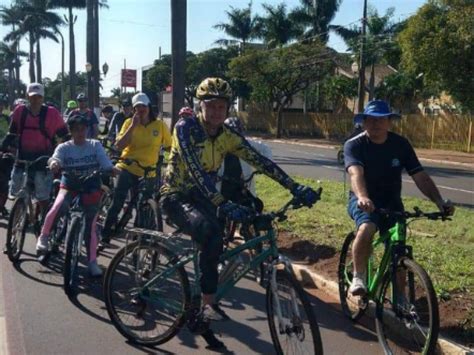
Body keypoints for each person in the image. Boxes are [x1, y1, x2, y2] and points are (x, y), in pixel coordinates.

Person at [160, 77, 318, 322]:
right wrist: (222, 202)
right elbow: (196, 171)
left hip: (205, 198)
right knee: (211, 233)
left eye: (221, 106)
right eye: (210, 105)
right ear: (199, 105)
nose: (215, 112)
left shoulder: (228, 135)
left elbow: (261, 162)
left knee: (216, 242)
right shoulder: (185, 128)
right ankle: (207, 306)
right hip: (175, 195)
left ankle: (204, 296)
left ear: (228, 108)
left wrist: (295, 187)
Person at [344, 100, 455, 296]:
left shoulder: (401, 145)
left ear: (389, 122)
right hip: (363, 200)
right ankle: (358, 276)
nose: (375, 124)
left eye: (380, 119)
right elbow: (356, 173)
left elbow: (419, 175)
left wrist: (439, 202)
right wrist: (362, 197)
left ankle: (400, 299)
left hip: (392, 202)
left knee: (399, 251)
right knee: (367, 228)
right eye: (370, 120)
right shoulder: (355, 145)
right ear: (363, 122)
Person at [36, 114, 115, 276]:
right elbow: (55, 158)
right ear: (71, 131)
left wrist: (111, 168)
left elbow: (104, 161)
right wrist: (54, 164)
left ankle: (92, 262)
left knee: (91, 226)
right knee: (59, 205)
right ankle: (44, 237)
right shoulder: (65, 147)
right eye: (77, 130)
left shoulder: (95, 145)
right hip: (70, 185)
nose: (81, 132)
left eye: (83, 129)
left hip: (91, 187)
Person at [101, 93, 172, 244]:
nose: (140, 109)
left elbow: (169, 146)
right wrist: (133, 126)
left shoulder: (159, 125)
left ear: (149, 107)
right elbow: (119, 145)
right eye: (137, 107)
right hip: (127, 166)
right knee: (118, 201)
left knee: (145, 204)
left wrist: (171, 162)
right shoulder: (128, 123)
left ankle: (143, 238)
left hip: (149, 171)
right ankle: (105, 234)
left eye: (143, 106)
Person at [6, 83, 68, 214]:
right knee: (16, 192)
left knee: (42, 196)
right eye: (33, 97)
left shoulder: (52, 113)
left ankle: (43, 222)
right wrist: (3, 147)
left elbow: (64, 135)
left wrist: (64, 151)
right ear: (28, 96)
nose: (36, 100)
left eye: (39, 97)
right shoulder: (20, 111)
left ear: (43, 98)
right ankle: (20, 217)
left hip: (43, 160)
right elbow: (11, 134)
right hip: (22, 158)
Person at [0, 94, 14, 217]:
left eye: (1, 104)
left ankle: (2, 206)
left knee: (4, 184)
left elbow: (13, 134)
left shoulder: (7, 119)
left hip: (4, 153)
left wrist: (12, 148)